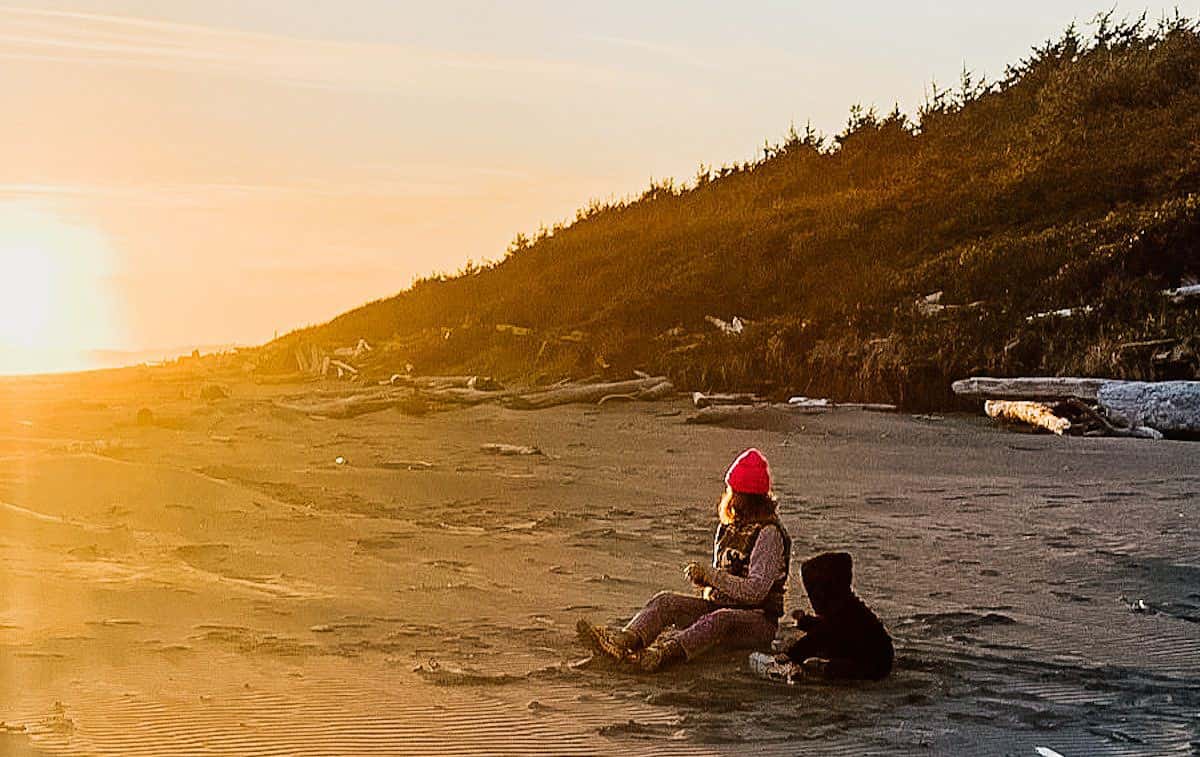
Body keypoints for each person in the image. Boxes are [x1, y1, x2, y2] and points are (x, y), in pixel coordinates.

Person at [577, 448, 792, 672]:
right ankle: (623, 642)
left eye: (734, 492)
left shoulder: (769, 534)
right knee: (665, 602)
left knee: (720, 618)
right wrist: (706, 582)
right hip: (719, 608)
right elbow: (724, 580)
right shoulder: (729, 528)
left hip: (757, 622)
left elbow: (755, 591)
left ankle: (663, 654)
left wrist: (712, 576)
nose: (730, 497)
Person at [768, 551, 893, 681]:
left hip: (870, 665)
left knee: (818, 667)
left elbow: (817, 637)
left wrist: (790, 655)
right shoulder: (847, 609)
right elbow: (826, 628)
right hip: (872, 658)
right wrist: (805, 621)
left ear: (824, 592)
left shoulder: (845, 613)